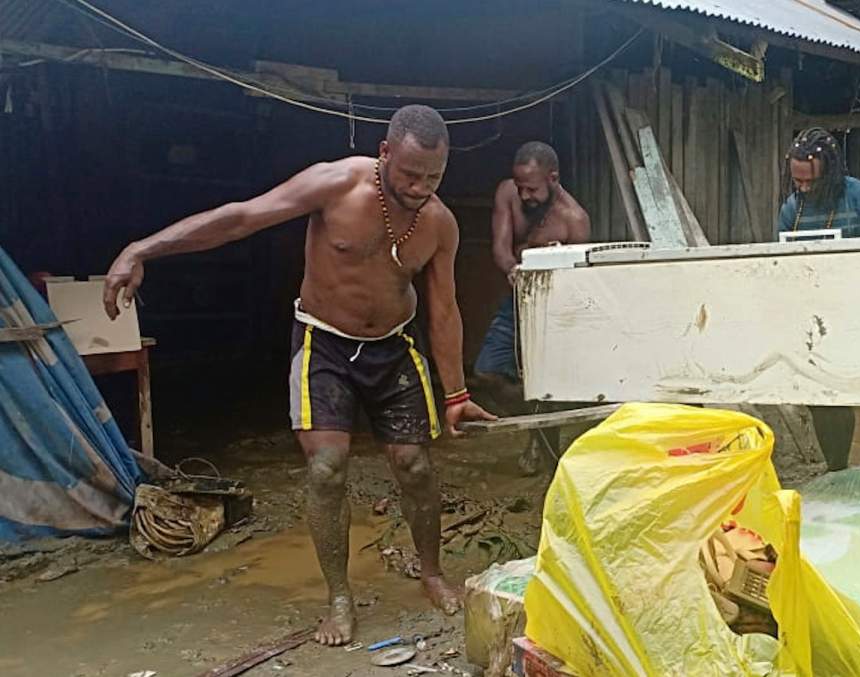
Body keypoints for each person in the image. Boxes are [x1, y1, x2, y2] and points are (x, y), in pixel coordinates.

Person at [102, 105, 495, 646]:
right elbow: (242, 216)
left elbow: (444, 308)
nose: (420, 187)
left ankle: (431, 572)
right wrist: (143, 248)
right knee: (328, 469)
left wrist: (456, 394)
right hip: (324, 343)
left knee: (416, 467)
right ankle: (338, 597)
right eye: (409, 174)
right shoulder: (335, 184)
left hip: (394, 348)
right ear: (384, 153)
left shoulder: (440, 224)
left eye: (433, 176)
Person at [777, 128, 860, 471]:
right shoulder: (792, 209)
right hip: (812, 314)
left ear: (831, 172)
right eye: (797, 182)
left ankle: (838, 464)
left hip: (859, 312)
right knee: (817, 396)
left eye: (810, 182)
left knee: (836, 393)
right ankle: (836, 466)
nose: (803, 189)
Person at [475, 141, 590, 392]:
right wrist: (512, 270)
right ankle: (524, 404)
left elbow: (577, 282)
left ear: (553, 178)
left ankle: (539, 406)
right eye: (520, 188)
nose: (525, 195)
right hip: (517, 300)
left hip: (554, 308)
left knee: (552, 381)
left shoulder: (574, 220)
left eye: (532, 189)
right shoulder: (507, 193)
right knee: (486, 372)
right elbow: (501, 248)